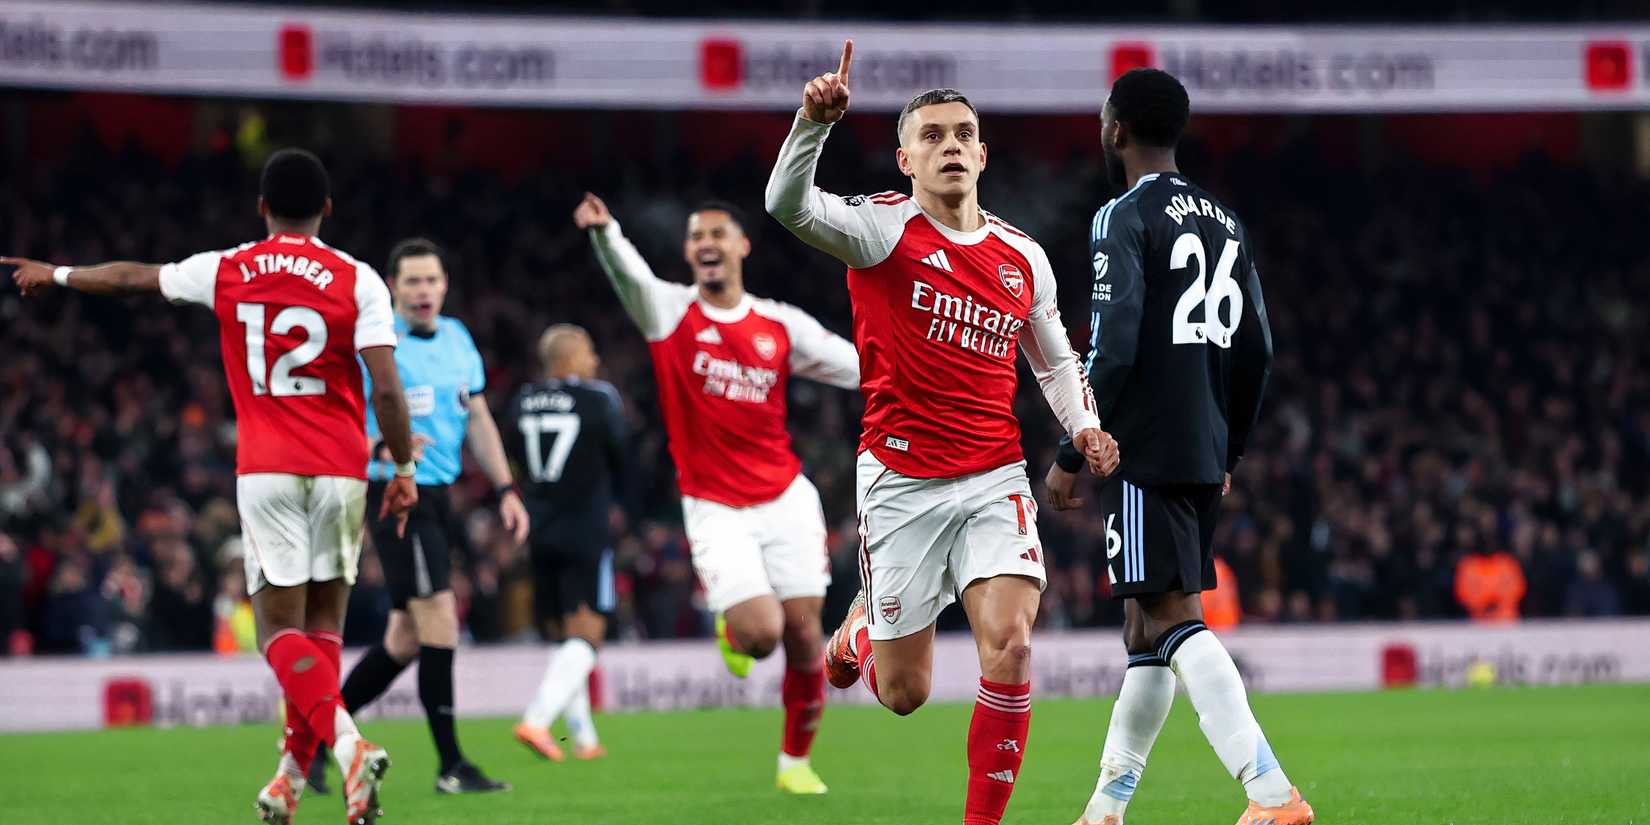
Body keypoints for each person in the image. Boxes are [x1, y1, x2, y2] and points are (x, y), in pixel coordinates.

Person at [7, 147, 416, 825]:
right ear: (328, 211)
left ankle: (346, 748)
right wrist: (401, 468)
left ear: (261, 208)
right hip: (342, 468)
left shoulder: (230, 267)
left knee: (278, 634)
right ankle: (289, 778)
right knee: (323, 632)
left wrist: (59, 272)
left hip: (269, 468)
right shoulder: (360, 279)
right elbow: (389, 389)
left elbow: (135, 279)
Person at [765, 41, 1117, 825]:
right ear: (905, 159)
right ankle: (859, 630)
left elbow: (1055, 362)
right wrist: (810, 125)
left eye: (962, 133)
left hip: (995, 476)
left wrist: (1086, 427)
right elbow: (787, 206)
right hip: (901, 483)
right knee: (904, 694)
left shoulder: (1021, 255)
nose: (950, 145)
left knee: (1014, 646)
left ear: (984, 154)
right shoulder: (878, 230)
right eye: (932, 135)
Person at [1042, 68, 1312, 825]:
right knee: (1145, 630)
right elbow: (1258, 347)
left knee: (1170, 617)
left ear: (1115, 129)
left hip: (1140, 444)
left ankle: (1270, 792)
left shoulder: (1121, 215)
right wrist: (1232, 448)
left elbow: (1114, 341)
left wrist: (1074, 446)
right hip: (1203, 442)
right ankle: (1106, 806)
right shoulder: (1226, 219)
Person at [576, 191, 860, 794]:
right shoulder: (669, 312)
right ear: (688, 252)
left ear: (740, 246)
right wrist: (606, 233)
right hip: (715, 505)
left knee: (806, 634)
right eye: (696, 236)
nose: (707, 243)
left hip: (784, 495)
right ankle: (732, 629)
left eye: (717, 234)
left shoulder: (778, 323)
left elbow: (858, 366)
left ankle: (794, 763)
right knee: (762, 635)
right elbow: (629, 276)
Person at [310, 238, 523, 796]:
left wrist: (505, 487)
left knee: (405, 639)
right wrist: (379, 449)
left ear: (444, 285)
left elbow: (477, 417)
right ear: (393, 287)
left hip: (442, 494)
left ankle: (313, 738)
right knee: (440, 620)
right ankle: (451, 765)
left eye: (432, 281)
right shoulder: (377, 344)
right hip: (396, 497)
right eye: (412, 282)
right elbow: (337, 417)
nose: (424, 291)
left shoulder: (457, 338)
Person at [506, 325, 627, 763]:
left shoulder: (521, 401)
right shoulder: (599, 398)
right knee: (589, 634)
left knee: (565, 634)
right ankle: (537, 720)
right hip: (586, 527)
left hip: (540, 526)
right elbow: (621, 453)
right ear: (571, 358)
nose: (595, 361)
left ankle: (583, 737)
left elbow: (511, 457)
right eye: (589, 352)